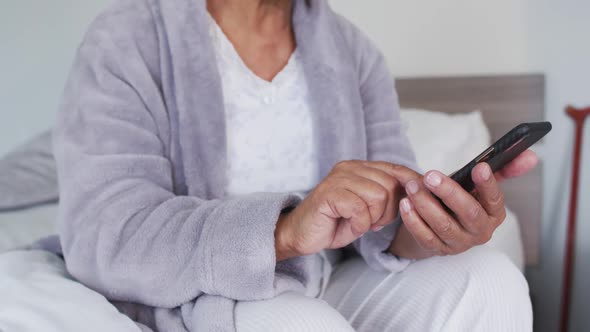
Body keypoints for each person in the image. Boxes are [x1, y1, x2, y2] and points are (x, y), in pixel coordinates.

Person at [54, 0, 536, 331]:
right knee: (304, 326)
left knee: (491, 279)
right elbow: (108, 232)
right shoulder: (127, 40)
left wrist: (436, 226)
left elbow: (387, 229)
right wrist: (285, 231)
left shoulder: (352, 51)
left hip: (333, 276)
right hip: (205, 296)